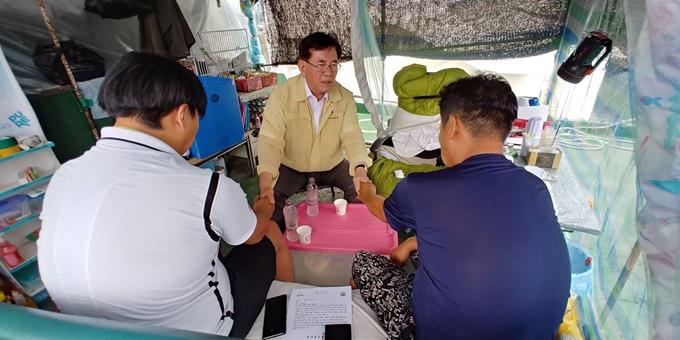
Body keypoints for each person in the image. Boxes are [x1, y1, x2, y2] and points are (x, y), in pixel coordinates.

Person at [37, 52, 294, 338]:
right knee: (270, 231)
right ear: (182, 114)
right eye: (198, 117)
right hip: (201, 330)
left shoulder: (65, 175)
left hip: (89, 331)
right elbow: (251, 235)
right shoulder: (206, 187)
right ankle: (288, 319)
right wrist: (262, 208)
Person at [352, 73, 571, 339]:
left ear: (452, 126)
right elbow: (485, 239)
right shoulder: (535, 187)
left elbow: (380, 209)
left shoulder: (424, 188)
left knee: (364, 263)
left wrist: (366, 190)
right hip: (538, 332)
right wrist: (411, 243)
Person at [257, 32, 372, 231]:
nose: (328, 72)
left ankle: (353, 237)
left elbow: (352, 135)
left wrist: (360, 169)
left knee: (362, 190)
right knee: (269, 199)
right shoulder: (281, 96)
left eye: (333, 64)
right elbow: (271, 140)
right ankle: (281, 245)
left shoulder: (344, 97)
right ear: (303, 67)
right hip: (291, 166)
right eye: (320, 64)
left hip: (332, 164)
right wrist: (266, 181)